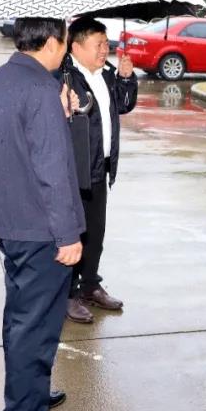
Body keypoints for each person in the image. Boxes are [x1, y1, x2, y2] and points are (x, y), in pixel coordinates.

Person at [0, 18, 84, 411]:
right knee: (35, 327)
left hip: (12, 221)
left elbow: (18, 144)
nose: (67, 50)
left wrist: (59, 114)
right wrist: (68, 236)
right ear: (53, 41)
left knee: (21, 319)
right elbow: (51, 170)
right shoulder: (40, 89)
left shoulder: (2, 79)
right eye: (67, 41)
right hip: (41, 228)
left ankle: (30, 392)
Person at [60, 17, 138, 324]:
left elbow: (123, 105)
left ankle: (90, 285)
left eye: (107, 43)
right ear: (77, 46)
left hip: (100, 166)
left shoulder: (105, 74)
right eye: (98, 44)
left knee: (96, 232)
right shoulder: (64, 77)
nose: (105, 49)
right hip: (74, 169)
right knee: (73, 233)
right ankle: (68, 293)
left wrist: (126, 79)